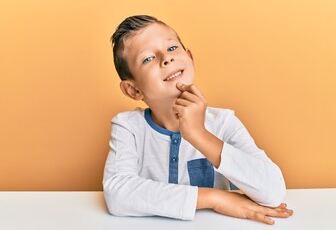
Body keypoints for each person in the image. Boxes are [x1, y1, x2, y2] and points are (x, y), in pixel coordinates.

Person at [103, 15, 293, 225]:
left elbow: (273, 191)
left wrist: (198, 134)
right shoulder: (128, 127)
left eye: (172, 48)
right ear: (133, 89)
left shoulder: (224, 122)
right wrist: (216, 198)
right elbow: (117, 194)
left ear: (190, 57)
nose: (166, 58)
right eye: (148, 58)